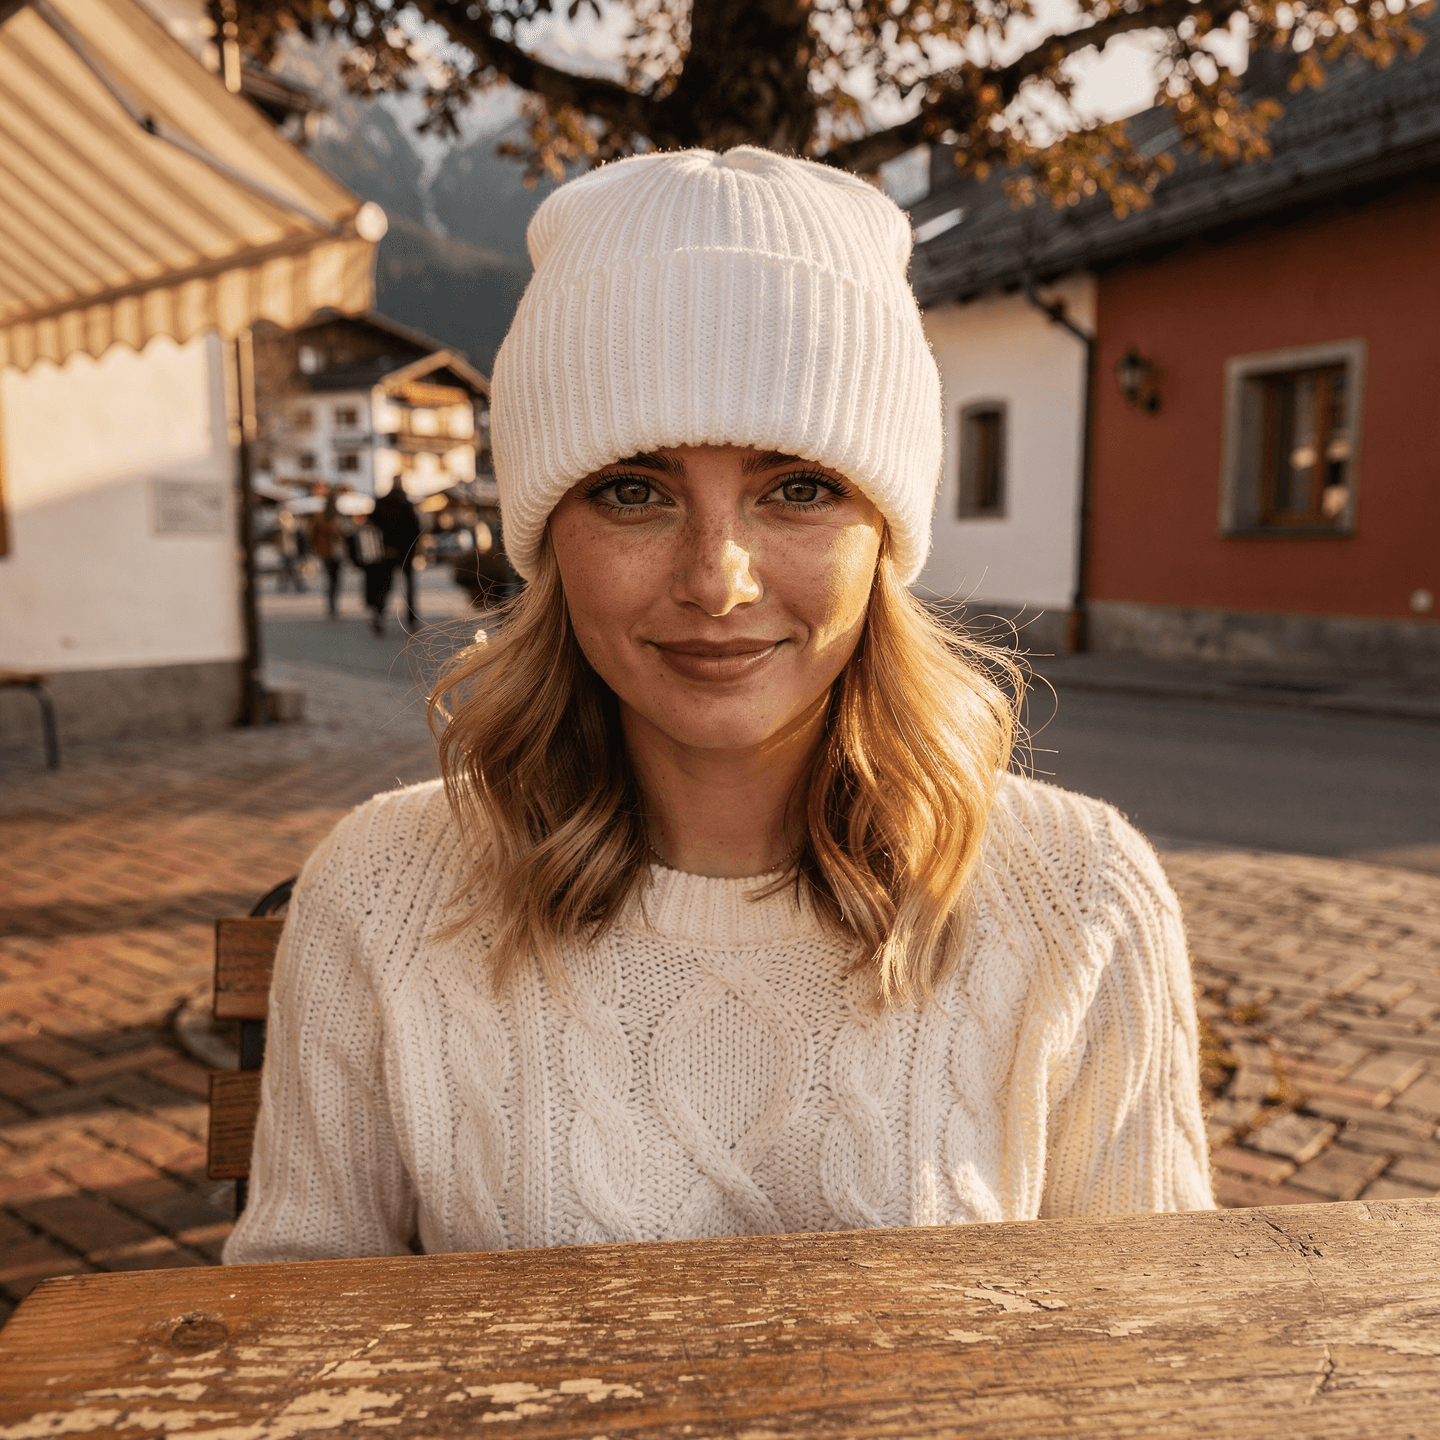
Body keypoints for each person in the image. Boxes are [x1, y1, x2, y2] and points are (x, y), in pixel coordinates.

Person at [225, 148, 1210, 1266]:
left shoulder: (1078, 898)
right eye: (632, 491)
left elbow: (1147, 1351)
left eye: (797, 488)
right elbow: (294, 1334)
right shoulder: (382, 890)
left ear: (884, 537)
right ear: (550, 541)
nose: (717, 578)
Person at [372, 481, 423, 632]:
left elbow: (373, 524)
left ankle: (379, 614)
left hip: (386, 550)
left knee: (385, 585)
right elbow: (415, 528)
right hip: (405, 550)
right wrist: (413, 549)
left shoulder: (381, 502)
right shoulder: (406, 503)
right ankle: (411, 618)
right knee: (409, 586)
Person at [308, 489, 347, 619]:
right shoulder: (331, 518)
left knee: (332, 580)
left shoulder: (321, 517)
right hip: (331, 552)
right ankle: (332, 606)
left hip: (328, 552)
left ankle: (332, 606)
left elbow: (313, 536)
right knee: (334, 580)